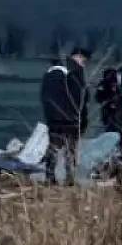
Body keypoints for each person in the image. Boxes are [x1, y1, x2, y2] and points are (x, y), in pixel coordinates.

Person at [39, 48, 90, 185]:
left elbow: (45, 96)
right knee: (70, 149)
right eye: (83, 60)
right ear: (78, 57)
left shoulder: (51, 72)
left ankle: (49, 176)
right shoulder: (74, 72)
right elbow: (81, 97)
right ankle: (70, 178)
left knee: (54, 146)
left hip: (54, 117)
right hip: (70, 117)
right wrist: (82, 119)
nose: (84, 64)